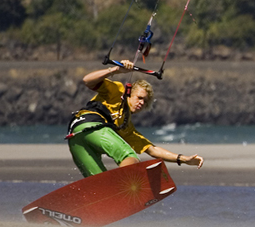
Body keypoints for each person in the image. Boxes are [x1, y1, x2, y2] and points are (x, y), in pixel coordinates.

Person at [66, 60, 203, 177]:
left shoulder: (127, 129)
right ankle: (123, 188)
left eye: (145, 102)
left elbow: (153, 150)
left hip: (75, 137)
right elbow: (87, 80)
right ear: (129, 93)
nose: (141, 103)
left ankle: (103, 205)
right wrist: (116, 70)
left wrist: (183, 159)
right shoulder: (117, 91)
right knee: (130, 158)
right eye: (139, 98)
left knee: (98, 185)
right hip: (90, 124)